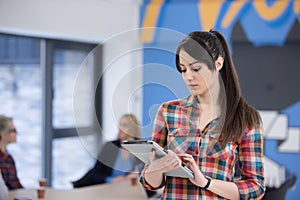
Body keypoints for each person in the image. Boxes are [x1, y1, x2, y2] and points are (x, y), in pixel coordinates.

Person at [140, 30, 265, 199]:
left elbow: (255, 187)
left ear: (218, 64)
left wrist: (206, 182)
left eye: (196, 68)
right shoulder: (169, 111)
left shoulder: (246, 118)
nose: (188, 77)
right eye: (183, 70)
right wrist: (158, 167)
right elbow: (149, 182)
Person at [72, 114, 143, 186]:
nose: (120, 128)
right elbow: (95, 173)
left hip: (128, 189)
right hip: (107, 187)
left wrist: (135, 176)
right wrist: (111, 180)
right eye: (120, 125)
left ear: (133, 128)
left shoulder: (141, 150)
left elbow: (144, 176)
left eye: (125, 125)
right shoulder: (110, 146)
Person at [0, 115, 23, 190]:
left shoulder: (9, 158)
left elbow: (16, 185)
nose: (17, 133)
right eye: (13, 131)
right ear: (3, 134)